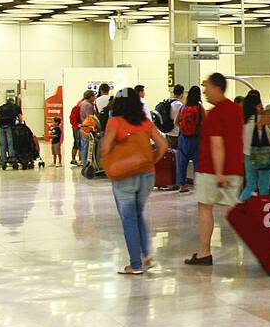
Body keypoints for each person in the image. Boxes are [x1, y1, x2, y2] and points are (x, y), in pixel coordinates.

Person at [101, 89, 168, 275]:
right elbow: (163, 145)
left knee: (129, 219)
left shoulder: (115, 122)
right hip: (147, 175)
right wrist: (151, 161)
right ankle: (146, 255)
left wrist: (109, 162)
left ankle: (136, 264)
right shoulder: (146, 123)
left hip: (125, 176)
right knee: (138, 215)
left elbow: (106, 148)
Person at [186, 73, 244, 267]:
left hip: (212, 170)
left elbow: (217, 144)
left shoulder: (215, 113)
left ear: (217, 87)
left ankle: (204, 252)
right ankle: (268, 243)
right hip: (235, 168)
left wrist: (219, 173)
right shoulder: (236, 110)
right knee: (232, 209)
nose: (204, 92)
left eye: (207, 88)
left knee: (205, 207)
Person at [239, 90, 270, 203]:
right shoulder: (259, 119)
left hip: (247, 155)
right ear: (255, 106)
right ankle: (263, 209)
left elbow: (268, 112)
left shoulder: (244, 120)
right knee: (263, 186)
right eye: (260, 105)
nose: (261, 107)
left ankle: (238, 206)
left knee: (250, 185)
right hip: (261, 155)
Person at [175, 85, 204, 193]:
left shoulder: (183, 107)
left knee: (182, 162)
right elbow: (205, 124)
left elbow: (176, 122)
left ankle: (182, 185)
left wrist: (183, 129)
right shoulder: (200, 108)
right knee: (197, 162)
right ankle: (199, 185)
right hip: (196, 138)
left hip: (183, 138)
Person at [0, 96, 22, 169]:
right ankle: (11, 159)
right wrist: (20, 125)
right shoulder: (16, 107)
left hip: (1, 126)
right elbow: (20, 118)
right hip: (10, 126)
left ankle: (3, 160)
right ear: (13, 102)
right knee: (10, 143)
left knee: (2, 144)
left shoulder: (1, 107)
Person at [75, 90, 98, 167]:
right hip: (88, 128)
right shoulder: (88, 105)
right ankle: (86, 165)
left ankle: (84, 163)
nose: (95, 98)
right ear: (91, 96)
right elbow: (90, 118)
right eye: (94, 96)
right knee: (87, 147)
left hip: (83, 127)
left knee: (84, 146)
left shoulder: (81, 103)